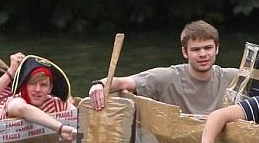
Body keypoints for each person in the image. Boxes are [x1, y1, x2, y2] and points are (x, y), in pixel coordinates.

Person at [88, 20, 239, 115]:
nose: (203, 54)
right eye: (195, 49)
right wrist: (98, 85)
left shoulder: (233, 78)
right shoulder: (167, 77)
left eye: (208, 48)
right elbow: (122, 83)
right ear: (185, 52)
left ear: (217, 49)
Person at [0, 41, 76, 141]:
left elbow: (78, 114)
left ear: (50, 88)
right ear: (23, 86)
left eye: (43, 85)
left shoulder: (57, 102)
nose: (38, 90)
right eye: (32, 84)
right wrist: (60, 128)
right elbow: (23, 109)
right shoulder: (14, 101)